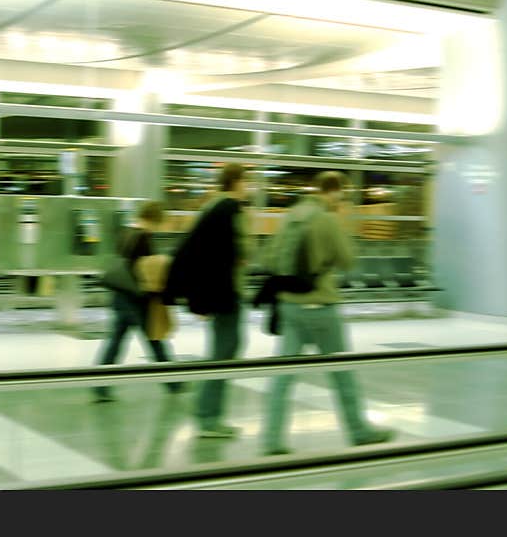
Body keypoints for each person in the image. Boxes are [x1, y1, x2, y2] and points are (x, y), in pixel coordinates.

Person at [262, 171, 395, 454]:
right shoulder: (328, 219)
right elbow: (348, 261)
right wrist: (339, 226)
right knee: (341, 374)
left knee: (282, 377)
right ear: (334, 191)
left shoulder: (291, 215)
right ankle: (359, 432)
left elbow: (271, 258)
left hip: (290, 307)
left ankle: (271, 440)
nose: (342, 200)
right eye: (342, 195)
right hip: (321, 307)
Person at [165, 163, 249, 438]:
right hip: (224, 295)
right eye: (247, 181)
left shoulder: (214, 208)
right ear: (237, 181)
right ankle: (208, 418)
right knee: (224, 354)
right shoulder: (227, 209)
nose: (250, 186)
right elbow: (217, 257)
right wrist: (203, 300)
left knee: (225, 351)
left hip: (220, 294)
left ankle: (206, 412)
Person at [94, 201, 180, 403]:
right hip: (136, 299)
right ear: (155, 219)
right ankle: (174, 380)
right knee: (155, 339)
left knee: (115, 343)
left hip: (120, 296)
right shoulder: (143, 237)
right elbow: (146, 269)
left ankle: (99, 385)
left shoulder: (126, 232)